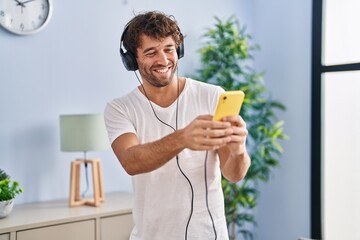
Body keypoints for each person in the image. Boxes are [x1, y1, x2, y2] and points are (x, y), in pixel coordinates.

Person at [104, 11, 251, 240]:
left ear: (179, 50)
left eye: (169, 49)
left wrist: (239, 150)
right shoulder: (120, 108)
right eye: (151, 52)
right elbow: (131, 161)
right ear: (132, 60)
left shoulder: (212, 96)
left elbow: (233, 174)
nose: (163, 60)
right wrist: (183, 138)